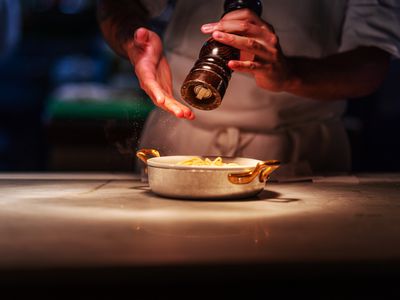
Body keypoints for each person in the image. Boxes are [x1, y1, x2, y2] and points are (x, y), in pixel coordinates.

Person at [97, 0, 400, 176]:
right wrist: (133, 43)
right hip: (179, 135)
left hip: (299, 148)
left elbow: (372, 61)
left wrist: (290, 74)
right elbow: (118, 5)